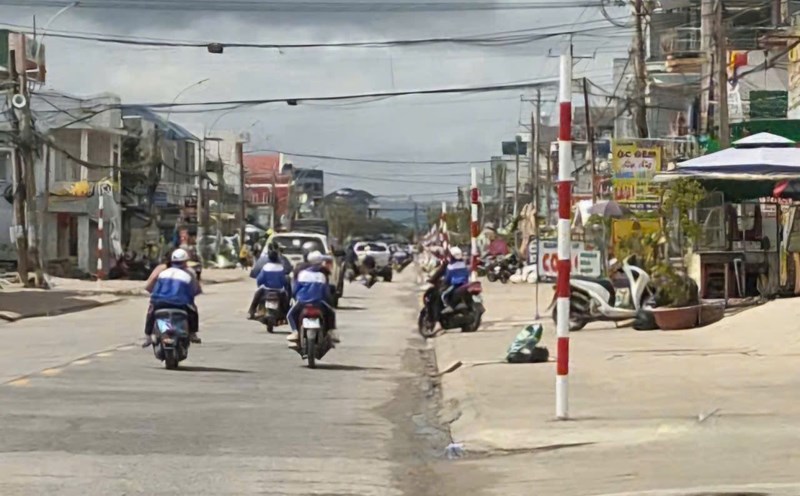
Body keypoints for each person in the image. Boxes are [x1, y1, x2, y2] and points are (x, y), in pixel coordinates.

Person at [142, 248, 202, 347]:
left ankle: (148, 337)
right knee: (193, 312)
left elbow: (150, 286)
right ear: (186, 262)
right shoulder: (189, 273)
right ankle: (192, 334)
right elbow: (196, 290)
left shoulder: (162, 271)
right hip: (181, 303)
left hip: (159, 302)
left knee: (151, 313)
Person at [286, 250, 339, 347]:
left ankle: (295, 332)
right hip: (319, 303)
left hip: (302, 302)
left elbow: (295, 290)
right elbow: (326, 293)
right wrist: (330, 303)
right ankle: (331, 332)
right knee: (331, 313)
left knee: (290, 315)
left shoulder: (302, 274)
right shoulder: (322, 275)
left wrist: (293, 298)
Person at [247, 248, 291, 320]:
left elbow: (259, 279)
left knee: (256, 297)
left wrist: (260, 285)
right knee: (285, 302)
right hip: (279, 290)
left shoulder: (266, 267)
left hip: (266, 289)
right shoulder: (280, 267)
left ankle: (251, 312)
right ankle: (286, 315)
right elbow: (284, 281)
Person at [441, 246, 470, 314]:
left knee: (443, 294)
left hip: (456, 285)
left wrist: (444, 282)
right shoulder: (463, 264)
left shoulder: (450, 266)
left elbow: (447, 278)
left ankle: (450, 307)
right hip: (465, 284)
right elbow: (467, 274)